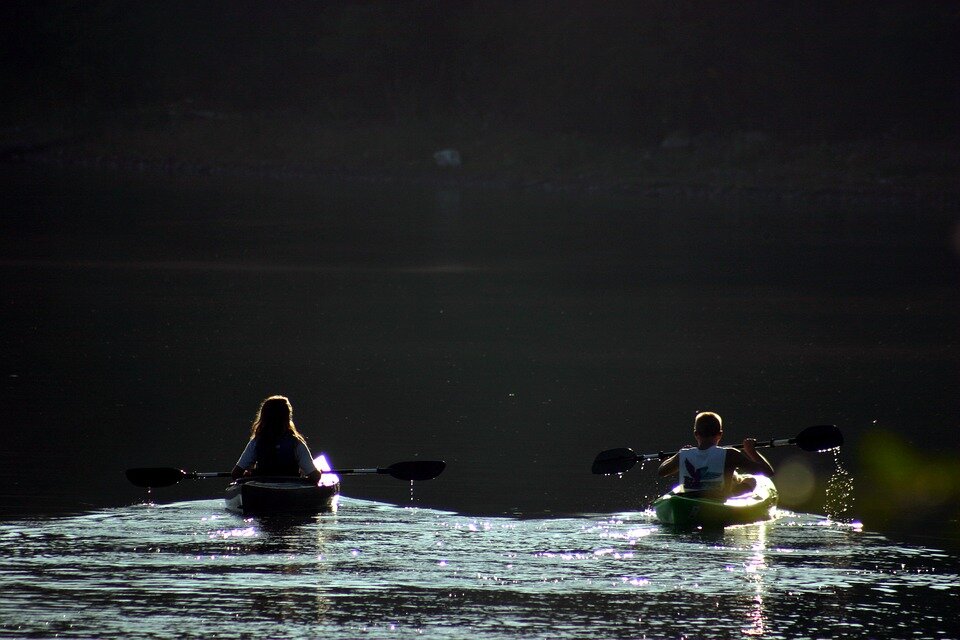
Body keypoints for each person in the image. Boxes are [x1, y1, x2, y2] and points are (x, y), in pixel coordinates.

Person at [657, 411, 774, 497]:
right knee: (751, 481)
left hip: (691, 498)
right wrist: (751, 451)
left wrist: (678, 453)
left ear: (696, 434)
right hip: (718, 501)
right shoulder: (730, 454)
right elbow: (768, 472)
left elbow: (661, 471)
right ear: (720, 434)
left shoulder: (684, 454)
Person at [231, 395, 322, 483]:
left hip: (261, 490)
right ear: (287, 418)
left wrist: (248, 476)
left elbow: (236, 474)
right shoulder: (296, 444)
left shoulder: (256, 443)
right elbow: (315, 476)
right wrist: (318, 472)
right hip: (291, 491)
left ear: (263, 418)